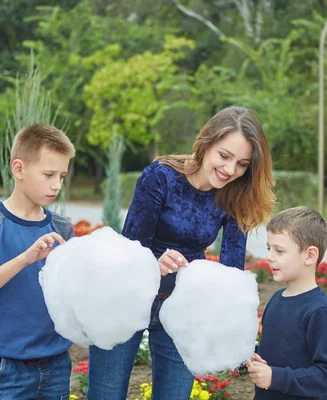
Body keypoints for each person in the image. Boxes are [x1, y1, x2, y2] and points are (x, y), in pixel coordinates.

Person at [87, 106, 275, 400]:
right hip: (126, 298)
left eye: (241, 164)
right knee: (105, 395)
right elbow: (128, 251)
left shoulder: (235, 195)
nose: (230, 170)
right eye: (224, 156)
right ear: (206, 143)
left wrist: (239, 337)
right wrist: (153, 263)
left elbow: (231, 272)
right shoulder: (160, 177)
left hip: (181, 307)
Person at [0, 124, 76, 400]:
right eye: (48, 174)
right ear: (18, 169)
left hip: (56, 365)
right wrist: (24, 259)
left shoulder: (62, 228)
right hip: (4, 368)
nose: (57, 184)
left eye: (62, 176)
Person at [247, 206, 327, 400]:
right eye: (269, 248)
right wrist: (251, 357)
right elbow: (278, 354)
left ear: (310, 255)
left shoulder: (319, 311)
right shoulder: (276, 300)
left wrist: (275, 378)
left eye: (280, 251)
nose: (269, 257)